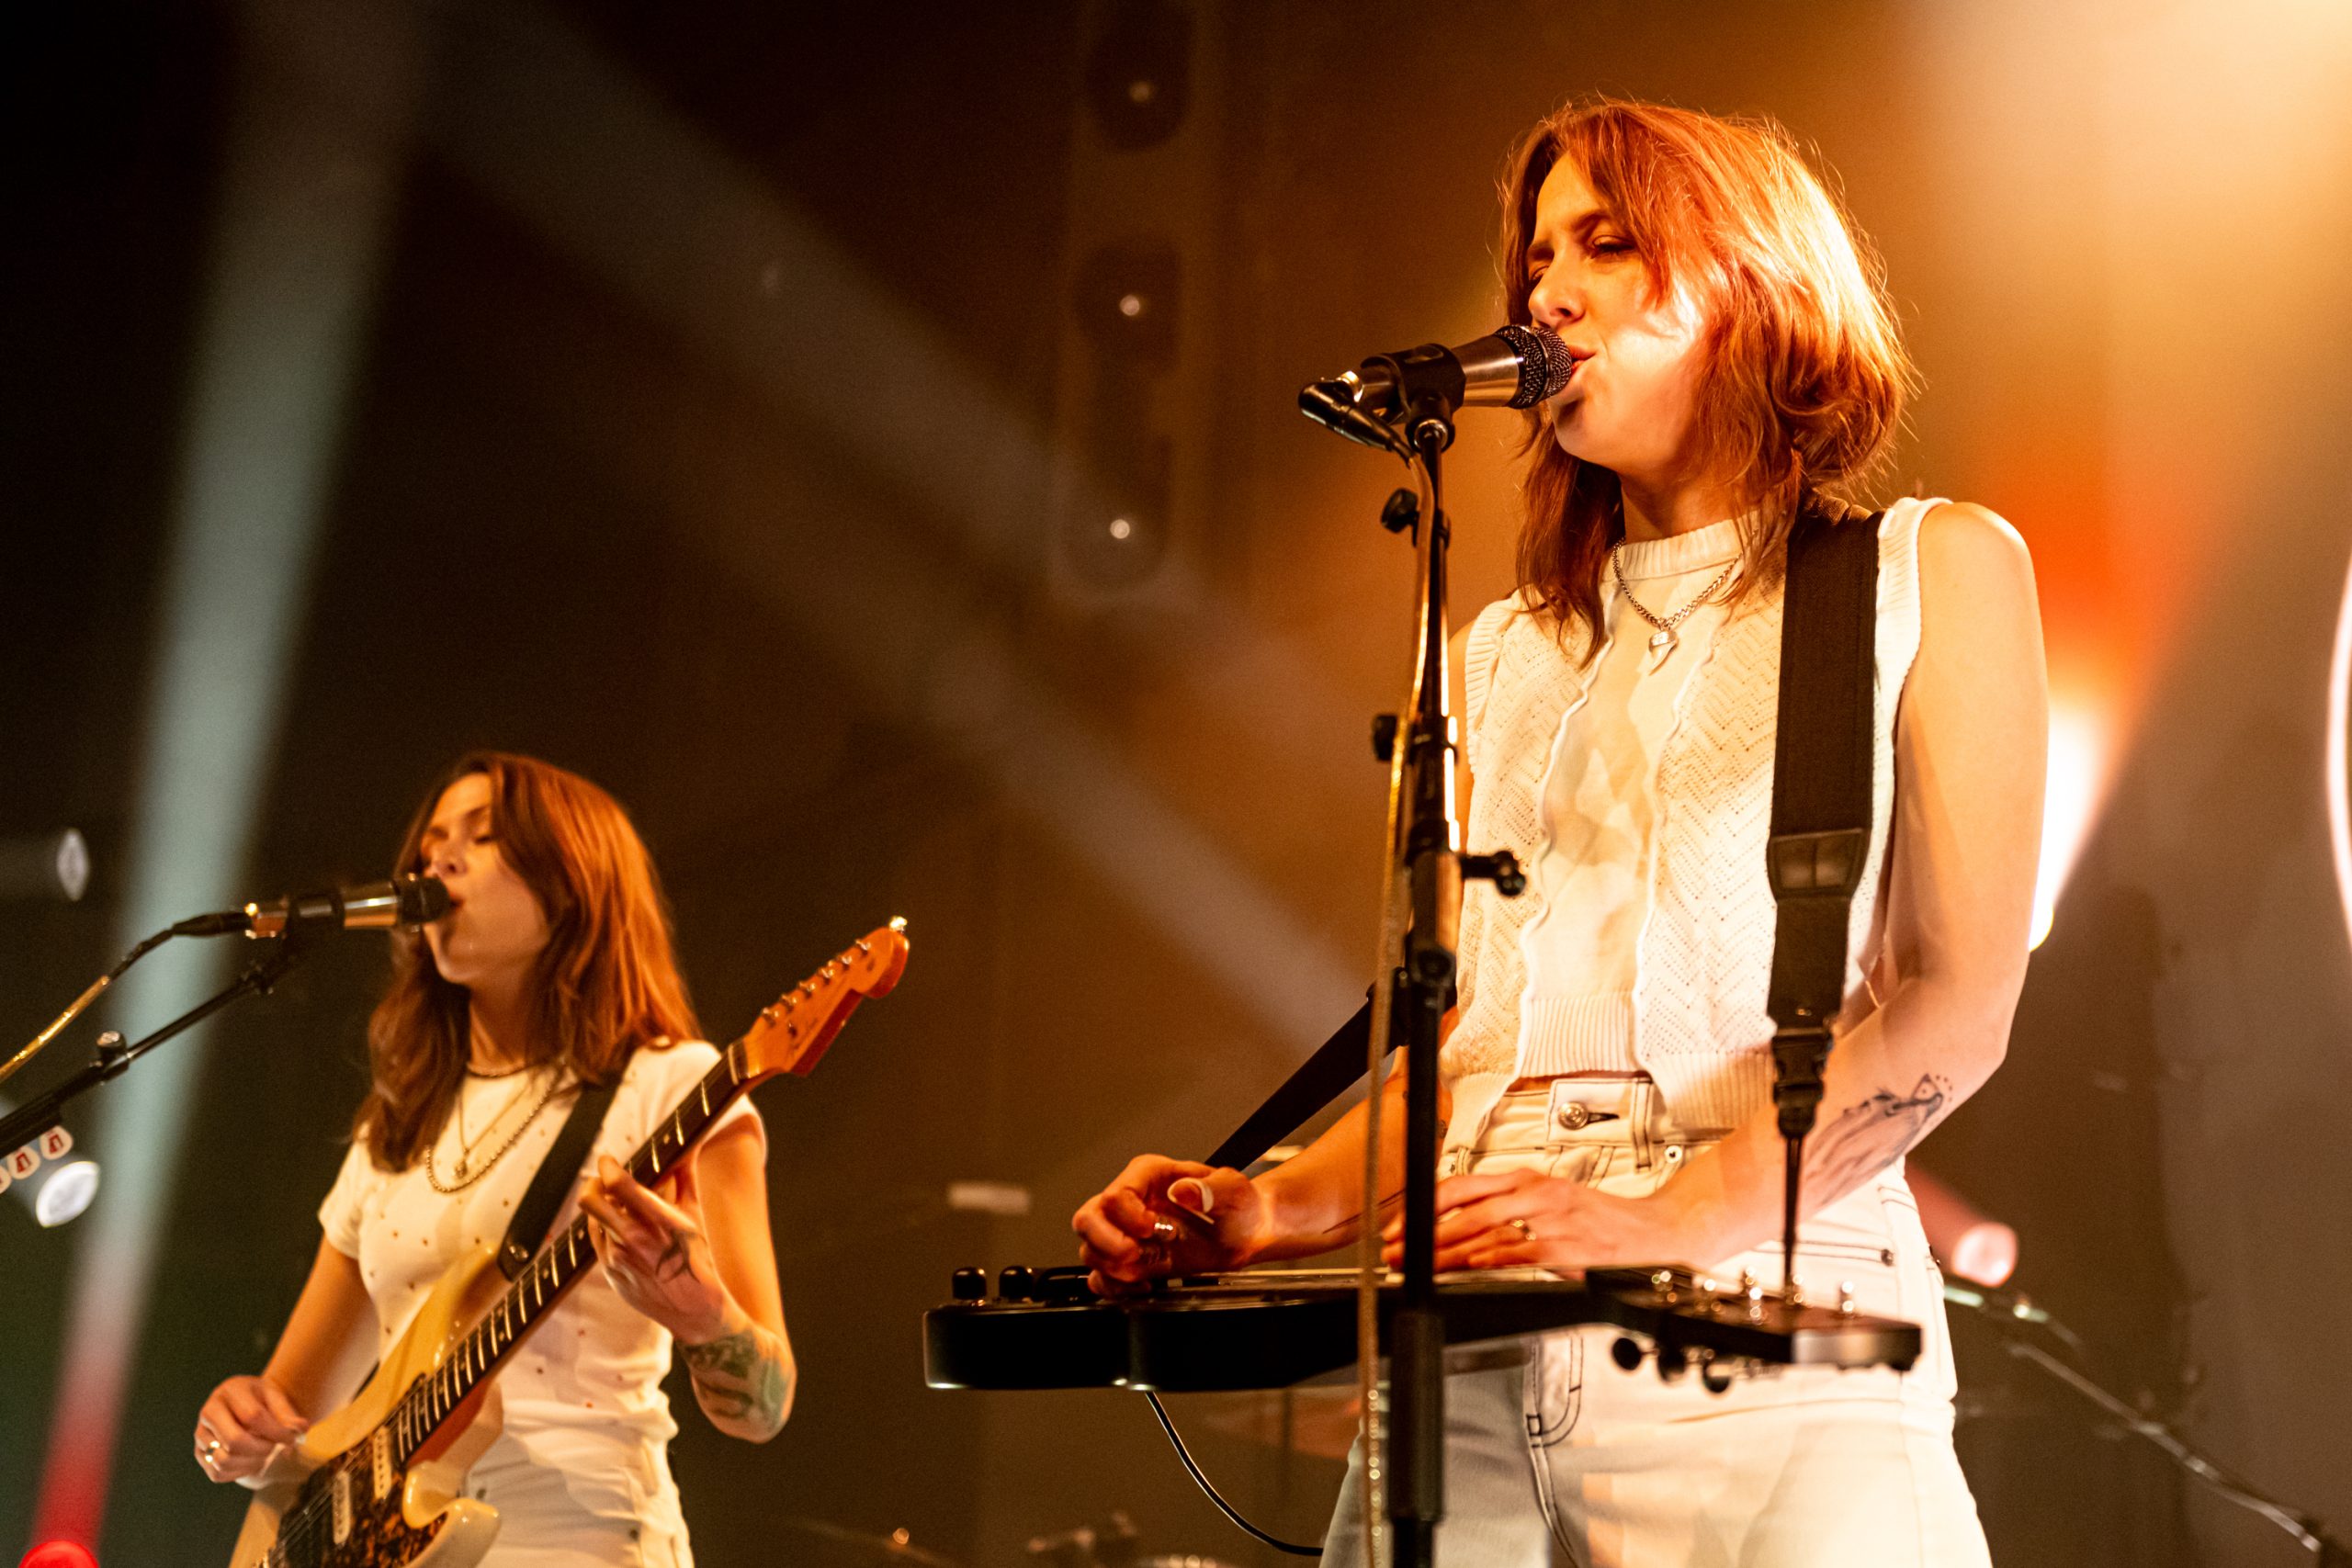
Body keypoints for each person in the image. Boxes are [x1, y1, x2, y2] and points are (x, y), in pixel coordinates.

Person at [1073, 97, 2045, 1567]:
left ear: (1754, 280)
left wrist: (1660, 1217)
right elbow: (1459, 1057)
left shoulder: (1930, 573)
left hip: (1775, 1334)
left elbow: (1957, 1007)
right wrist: (1267, 1208)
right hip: (1465, 1351)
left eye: (1608, 242)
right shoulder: (1500, 655)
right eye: (1535, 257)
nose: (1546, 293)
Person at [195, 751, 795, 1567]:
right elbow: (292, 1411)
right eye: (433, 839)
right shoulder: (398, 1124)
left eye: (482, 837)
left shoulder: (675, 1083)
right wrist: (235, 1428)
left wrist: (699, 1313)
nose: (438, 859)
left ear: (573, 881)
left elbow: (763, 1406)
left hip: (581, 1543)